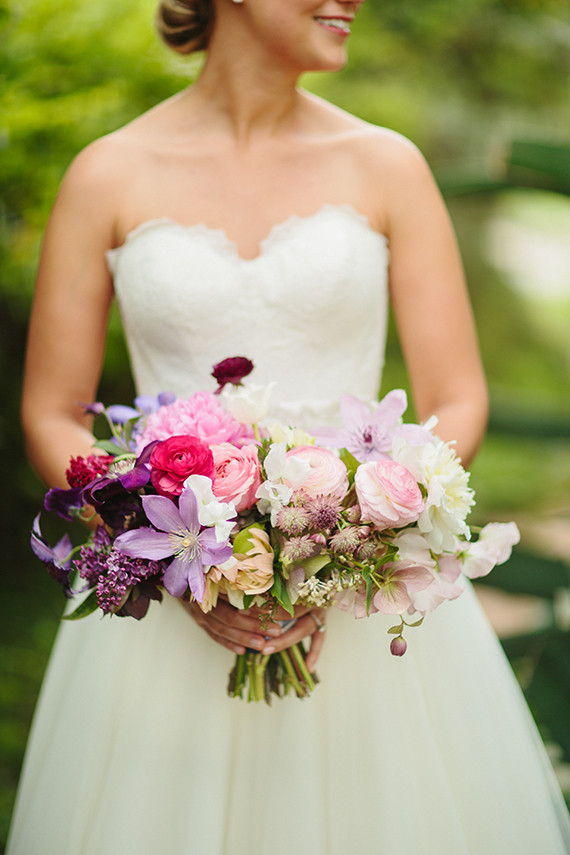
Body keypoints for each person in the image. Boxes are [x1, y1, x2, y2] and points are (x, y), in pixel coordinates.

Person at [7, 1, 570, 852]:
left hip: (365, 601)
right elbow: (51, 409)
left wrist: (356, 523)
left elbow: (457, 395)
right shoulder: (106, 175)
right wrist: (168, 549)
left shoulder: (388, 166)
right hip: (166, 596)